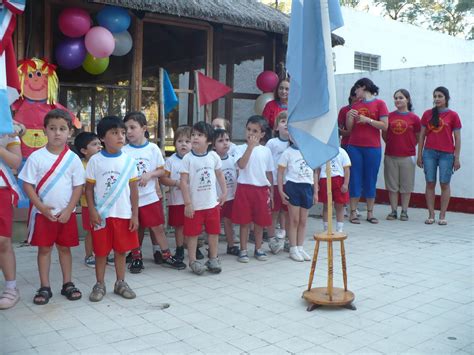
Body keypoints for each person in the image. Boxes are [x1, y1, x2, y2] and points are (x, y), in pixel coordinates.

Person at [19, 109, 85, 305]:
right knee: (44, 250)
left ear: (70, 132)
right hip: (42, 214)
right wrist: (41, 207)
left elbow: (78, 187)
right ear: (44, 130)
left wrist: (68, 210)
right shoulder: (36, 157)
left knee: (65, 249)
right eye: (53, 128)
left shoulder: (72, 159)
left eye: (62, 129)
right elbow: (27, 185)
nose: (57, 133)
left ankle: (68, 284)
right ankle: (45, 286)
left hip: (66, 214)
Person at [85, 116, 139, 302]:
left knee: (121, 251)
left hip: (123, 214)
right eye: (114, 133)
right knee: (100, 252)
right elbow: (89, 189)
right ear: (102, 137)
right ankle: (99, 284)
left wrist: (135, 215)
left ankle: (120, 282)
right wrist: (92, 210)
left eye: (123, 133)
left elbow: (133, 191)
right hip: (102, 216)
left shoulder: (129, 161)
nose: (121, 137)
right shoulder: (95, 161)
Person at [123, 112, 186, 272]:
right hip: (130, 200)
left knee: (157, 227)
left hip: (150, 197)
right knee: (134, 228)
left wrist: (149, 174)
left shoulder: (152, 149)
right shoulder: (124, 151)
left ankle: (166, 255)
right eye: (126, 128)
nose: (129, 132)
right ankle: (136, 257)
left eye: (132, 127)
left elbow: (163, 171)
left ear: (144, 128)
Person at [180, 122, 227, 275]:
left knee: (213, 232)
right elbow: (183, 182)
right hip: (195, 206)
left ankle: (213, 258)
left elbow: (220, 175)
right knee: (192, 234)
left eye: (199, 135)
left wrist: (224, 192)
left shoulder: (213, 156)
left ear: (209, 141)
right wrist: (187, 203)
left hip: (212, 204)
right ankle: (193, 260)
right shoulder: (187, 159)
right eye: (193, 135)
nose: (195, 138)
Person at [346, 78, 389, 224]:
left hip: (373, 147)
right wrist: (349, 118)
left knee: (371, 178)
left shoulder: (380, 104)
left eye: (357, 89)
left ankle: (370, 213)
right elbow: (349, 129)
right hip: (355, 146)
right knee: (355, 178)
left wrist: (368, 120)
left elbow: (384, 126)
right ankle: (353, 212)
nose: (355, 92)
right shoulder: (355, 105)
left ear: (363, 87)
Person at [417, 86, 461, 226]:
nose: (437, 99)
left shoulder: (453, 115)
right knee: (430, 182)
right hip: (429, 152)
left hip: (447, 154)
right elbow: (422, 136)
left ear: (446, 98)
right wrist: (419, 155)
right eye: (435, 96)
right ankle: (431, 215)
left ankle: (442, 215)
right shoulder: (427, 114)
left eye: (440, 96)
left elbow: (457, 138)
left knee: (444, 183)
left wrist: (457, 157)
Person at [232, 116, 273, 263]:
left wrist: (272, 192)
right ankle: (243, 250)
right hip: (244, 189)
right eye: (248, 129)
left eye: (255, 131)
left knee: (260, 222)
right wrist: (249, 148)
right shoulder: (239, 149)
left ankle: (258, 248)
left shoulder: (266, 151)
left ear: (262, 134)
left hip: (261, 190)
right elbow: (241, 165)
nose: (251, 133)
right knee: (244, 222)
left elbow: (269, 172)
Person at [383, 89, 421, 221]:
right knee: (392, 186)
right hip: (390, 155)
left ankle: (404, 211)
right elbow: (385, 135)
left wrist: (407, 146)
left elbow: (418, 137)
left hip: (408, 156)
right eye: (396, 98)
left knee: (406, 186)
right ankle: (393, 211)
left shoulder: (414, 118)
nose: (398, 100)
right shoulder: (389, 116)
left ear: (407, 100)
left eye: (401, 98)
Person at [277, 139, 317, 262]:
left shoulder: (310, 151)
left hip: (307, 187)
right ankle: (293, 248)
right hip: (293, 186)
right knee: (294, 219)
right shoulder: (287, 153)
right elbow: (280, 173)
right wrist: (281, 191)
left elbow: (315, 172)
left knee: (303, 220)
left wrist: (315, 191)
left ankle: (300, 247)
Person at [161, 126, 193, 262]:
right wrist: (176, 183)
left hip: (192, 201)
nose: (183, 144)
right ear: (174, 144)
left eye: (187, 141)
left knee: (192, 226)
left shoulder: (194, 159)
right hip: (177, 200)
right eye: (180, 141)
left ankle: (193, 247)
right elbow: (163, 179)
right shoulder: (170, 161)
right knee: (179, 227)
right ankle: (179, 248)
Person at [0, 133, 23, 309]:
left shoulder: (8, 128)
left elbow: (15, 162)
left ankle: (11, 287)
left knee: (2, 241)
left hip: (2, 189)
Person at [73, 132, 102, 268]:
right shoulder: (81, 165)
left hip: (104, 205)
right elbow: (81, 188)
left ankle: (103, 253)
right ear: (84, 150)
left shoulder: (104, 161)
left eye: (99, 143)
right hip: (87, 205)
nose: (99, 147)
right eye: (94, 144)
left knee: (104, 230)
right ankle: (89, 255)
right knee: (91, 231)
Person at [266, 111, 289, 253]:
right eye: (282, 121)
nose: (286, 124)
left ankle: (287, 237)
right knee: (273, 211)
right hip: (274, 182)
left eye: (289, 121)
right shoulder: (272, 143)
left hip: (290, 182)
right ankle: (271, 238)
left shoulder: (294, 143)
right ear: (276, 127)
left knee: (287, 212)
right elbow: (266, 163)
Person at [213, 129, 239, 256]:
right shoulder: (212, 160)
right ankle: (213, 250)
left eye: (227, 140)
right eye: (220, 141)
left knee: (229, 222)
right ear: (213, 145)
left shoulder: (234, 160)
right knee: (215, 225)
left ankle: (231, 246)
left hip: (230, 198)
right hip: (216, 199)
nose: (225, 143)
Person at [316, 148, 351, 234]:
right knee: (326, 205)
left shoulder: (342, 152)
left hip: (338, 179)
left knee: (340, 205)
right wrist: (316, 183)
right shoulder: (322, 151)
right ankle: (326, 228)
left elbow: (346, 169)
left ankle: (339, 228)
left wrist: (346, 184)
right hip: (325, 178)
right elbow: (317, 170)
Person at [338, 86, 357, 151]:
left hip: (362, 145)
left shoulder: (364, 109)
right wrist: (350, 133)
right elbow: (338, 130)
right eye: (357, 97)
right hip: (347, 144)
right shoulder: (344, 110)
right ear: (352, 97)